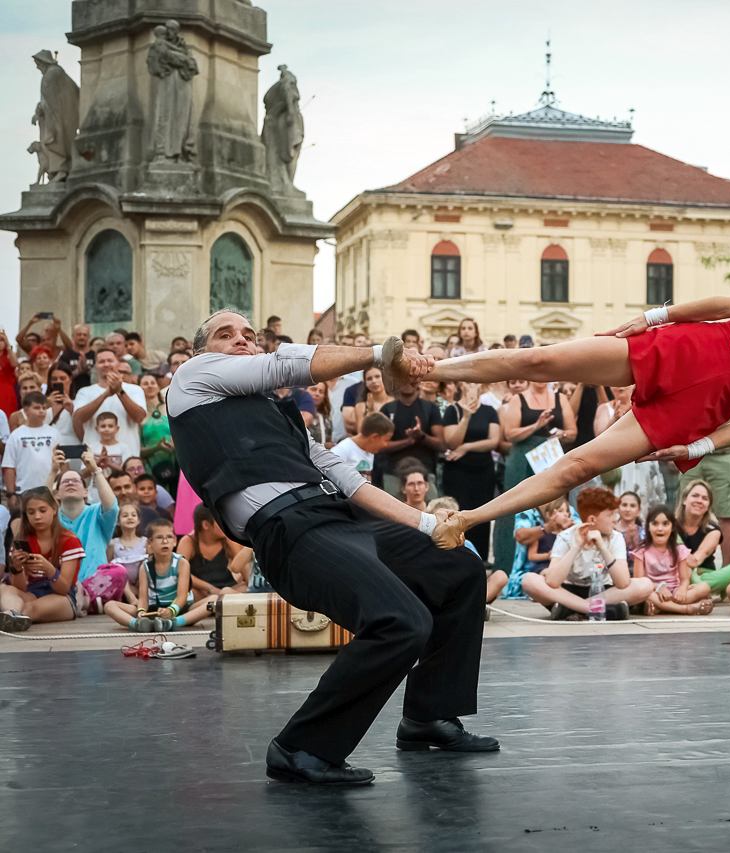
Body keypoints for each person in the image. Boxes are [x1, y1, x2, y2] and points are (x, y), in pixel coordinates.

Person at [167, 311, 495, 785]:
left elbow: (348, 481)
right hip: (289, 530)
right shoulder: (192, 380)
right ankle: (300, 748)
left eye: (249, 336)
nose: (242, 340)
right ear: (202, 352)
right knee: (402, 622)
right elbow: (281, 366)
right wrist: (386, 356)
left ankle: (430, 716)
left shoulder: (281, 416)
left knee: (459, 566)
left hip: (337, 518)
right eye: (226, 334)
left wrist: (428, 525)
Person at [426, 282, 730, 548]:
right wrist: (655, 316)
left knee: (580, 467)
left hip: (701, 407)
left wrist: (701, 446)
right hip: (689, 348)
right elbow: (725, 304)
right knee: (541, 359)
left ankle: (466, 521)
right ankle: (428, 367)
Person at [520, 487, 653, 620]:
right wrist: (576, 546)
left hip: (604, 591)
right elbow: (553, 582)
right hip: (568, 590)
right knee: (529, 580)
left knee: (645, 585)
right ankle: (593, 609)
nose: (615, 519)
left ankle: (569, 609)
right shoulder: (566, 537)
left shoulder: (615, 537)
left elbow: (623, 583)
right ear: (592, 519)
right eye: (610, 515)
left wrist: (602, 547)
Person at [492, 377, 576, 574]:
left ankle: (554, 563)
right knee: (512, 505)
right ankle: (506, 567)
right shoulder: (518, 399)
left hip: (550, 455)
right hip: (522, 457)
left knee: (555, 504)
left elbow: (573, 432)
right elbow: (510, 434)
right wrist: (536, 426)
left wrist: (561, 434)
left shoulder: (560, 398)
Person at [104, 517, 216, 632]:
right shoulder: (145, 566)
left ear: (175, 541)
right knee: (110, 606)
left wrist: (171, 611)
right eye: (159, 537)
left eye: (169, 537)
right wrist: (141, 611)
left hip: (180, 609)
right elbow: (143, 598)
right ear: (150, 543)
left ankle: (172, 623)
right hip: (153, 609)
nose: (165, 541)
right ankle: (138, 624)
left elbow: (182, 596)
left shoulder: (181, 563)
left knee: (213, 600)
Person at [0, 487, 86, 629]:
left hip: (61, 598)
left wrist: (49, 570)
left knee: (30, 608)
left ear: (54, 509)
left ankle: (14, 616)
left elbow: (64, 589)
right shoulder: (22, 540)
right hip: (32, 592)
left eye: (42, 510)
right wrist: (16, 568)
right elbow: (20, 587)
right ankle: (12, 614)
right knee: (4, 589)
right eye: (31, 512)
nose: (37, 516)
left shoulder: (69, 540)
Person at [440, 382, 500, 560]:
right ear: (461, 385)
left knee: (482, 514)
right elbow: (451, 442)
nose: (472, 386)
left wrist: (467, 447)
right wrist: (466, 417)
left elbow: (493, 441)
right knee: (458, 512)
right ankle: (456, 555)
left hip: (483, 470)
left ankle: (479, 558)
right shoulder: (453, 410)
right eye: (468, 382)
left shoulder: (489, 411)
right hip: (458, 472)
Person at [632, 505, 714, 615]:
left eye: (665, 524)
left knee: (705, 587)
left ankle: (661, 607)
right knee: (646, 595)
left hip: (675, 593)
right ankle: (686, 609)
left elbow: (684, 579)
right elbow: (639, 581)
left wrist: (682, 589)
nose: (660, 528)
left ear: (672, 527)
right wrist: (658, 587)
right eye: (655, 524)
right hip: (653, 591)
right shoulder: (641, 551)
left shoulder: (679, 550)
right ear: (648, 527)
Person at [71, 350, 147, 458]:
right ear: (95, 366)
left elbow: (139, 417)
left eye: (110, 361)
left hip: (128, 458)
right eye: (101, 361)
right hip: (94, 458)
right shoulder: (84, 392)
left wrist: (120, 391)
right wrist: (105, 394)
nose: (106, 364)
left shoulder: (135, 389)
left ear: (118, 364)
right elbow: (78, 418)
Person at [52, 453, 117, 579]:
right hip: (61, 588)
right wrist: (53, 471)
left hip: (96, 586)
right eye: (65, 482)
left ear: (85, 492)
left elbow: (112, 507)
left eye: (76, 481)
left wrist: (95, 470)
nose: (70, 483)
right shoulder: (52, 518)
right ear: (57, 494)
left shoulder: (97, 512)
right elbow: (41, 504)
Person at [673, 479, 730, 595]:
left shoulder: (713, 530)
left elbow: (694, 561)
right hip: (675, 574)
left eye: (705, 498)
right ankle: (699, 591)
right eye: (695, 496)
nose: (699, 501)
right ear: (684, 500)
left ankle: (696, 588)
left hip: (705, 575)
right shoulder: (670, 525)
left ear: (708, 505)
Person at [2, 393, 57, 499]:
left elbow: (63, 463)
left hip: (50, 489)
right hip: (23, 491)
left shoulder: (54, 433)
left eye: (44, 408)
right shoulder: (16, 435)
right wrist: (11, 494)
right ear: (26, 410)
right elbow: (9, 466)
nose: (41, 411)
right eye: (36, 407)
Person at [332, 412, 395, 482]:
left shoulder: (369, 450)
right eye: (386, 440)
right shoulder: (341, 451)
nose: (386, 445)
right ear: (374, 437)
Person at [106, 500, 148, 603]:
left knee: (146, 564)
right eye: (125, 516)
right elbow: (108, 567)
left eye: (133, 515)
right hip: (122, 585)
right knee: (117, 569)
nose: (130, 518)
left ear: (138, 520)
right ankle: (132, 599)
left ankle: (143, 598)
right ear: (118, 522)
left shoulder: (145, 542)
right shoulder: (113, 544)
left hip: (142, 583)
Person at [524, 496, 573, 575]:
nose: (565, 514)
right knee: (549, 573)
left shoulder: (568, 533)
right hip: (544, 566)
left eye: (567, 511)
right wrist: (548, 556)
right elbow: (531, 556)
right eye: (561, 511)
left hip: (563, 566)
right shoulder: (540, 532)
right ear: (549, 515)